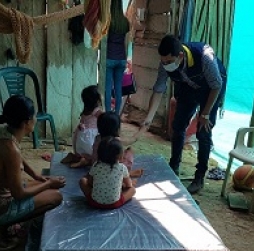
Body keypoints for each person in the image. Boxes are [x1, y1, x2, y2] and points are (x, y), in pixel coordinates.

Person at [0, 95, 66, 251]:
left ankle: (0, 227)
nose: (36, 119)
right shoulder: (10, 149)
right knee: (56, 196)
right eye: (34, 116)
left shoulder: (3, 133)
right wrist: (49, 183)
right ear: (26, 122)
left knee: (41, 184)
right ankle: (3, 230)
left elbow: (18, 157)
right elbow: (19, 194)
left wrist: (36, 175)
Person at [139, 34, 227, 194]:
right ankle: (174, 166)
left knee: (203, 131)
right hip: (187, 87)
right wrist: (148, 119)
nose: (165, 65)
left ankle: (199, 176)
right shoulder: (166, 63)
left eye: (168, 62)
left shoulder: (204, 56)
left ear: (180, 56)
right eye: (163, 61)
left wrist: (205, 114)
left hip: (211, 90)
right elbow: (159, 89)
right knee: (178, 125)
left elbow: (216, 85)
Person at [80, 136, 136, 209]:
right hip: (114, 204)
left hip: (94, 202)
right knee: (133, 190)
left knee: (82, 181)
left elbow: (90, 183)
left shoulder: (96, 165)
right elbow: (129, 185)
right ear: (120, 156)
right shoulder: (122, 168)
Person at [61, 85, 104, 168]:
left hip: (80, 136)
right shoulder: (97, 112)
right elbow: (106, 119)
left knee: (84, 153)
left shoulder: (85, 110)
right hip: (90, 139)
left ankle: (75, 157)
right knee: (97, 156)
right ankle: (85, 162)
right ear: (97, 99)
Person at [92, 112, 143, 178]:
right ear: (117, 129)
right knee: (129, 151)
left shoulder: (97, 138)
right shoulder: (117, 140)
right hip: (112, 171)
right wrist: (143, 129)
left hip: (96, 168)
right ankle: (128, 174)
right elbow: (134, 139)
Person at [104, 0, 131, 114]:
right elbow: (127, 40)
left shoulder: (108, 21)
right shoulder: (125, 22)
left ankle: (108, 114)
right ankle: (116, 115)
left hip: (109, 57)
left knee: (108, 88)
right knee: (118, 88)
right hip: (121, 58)